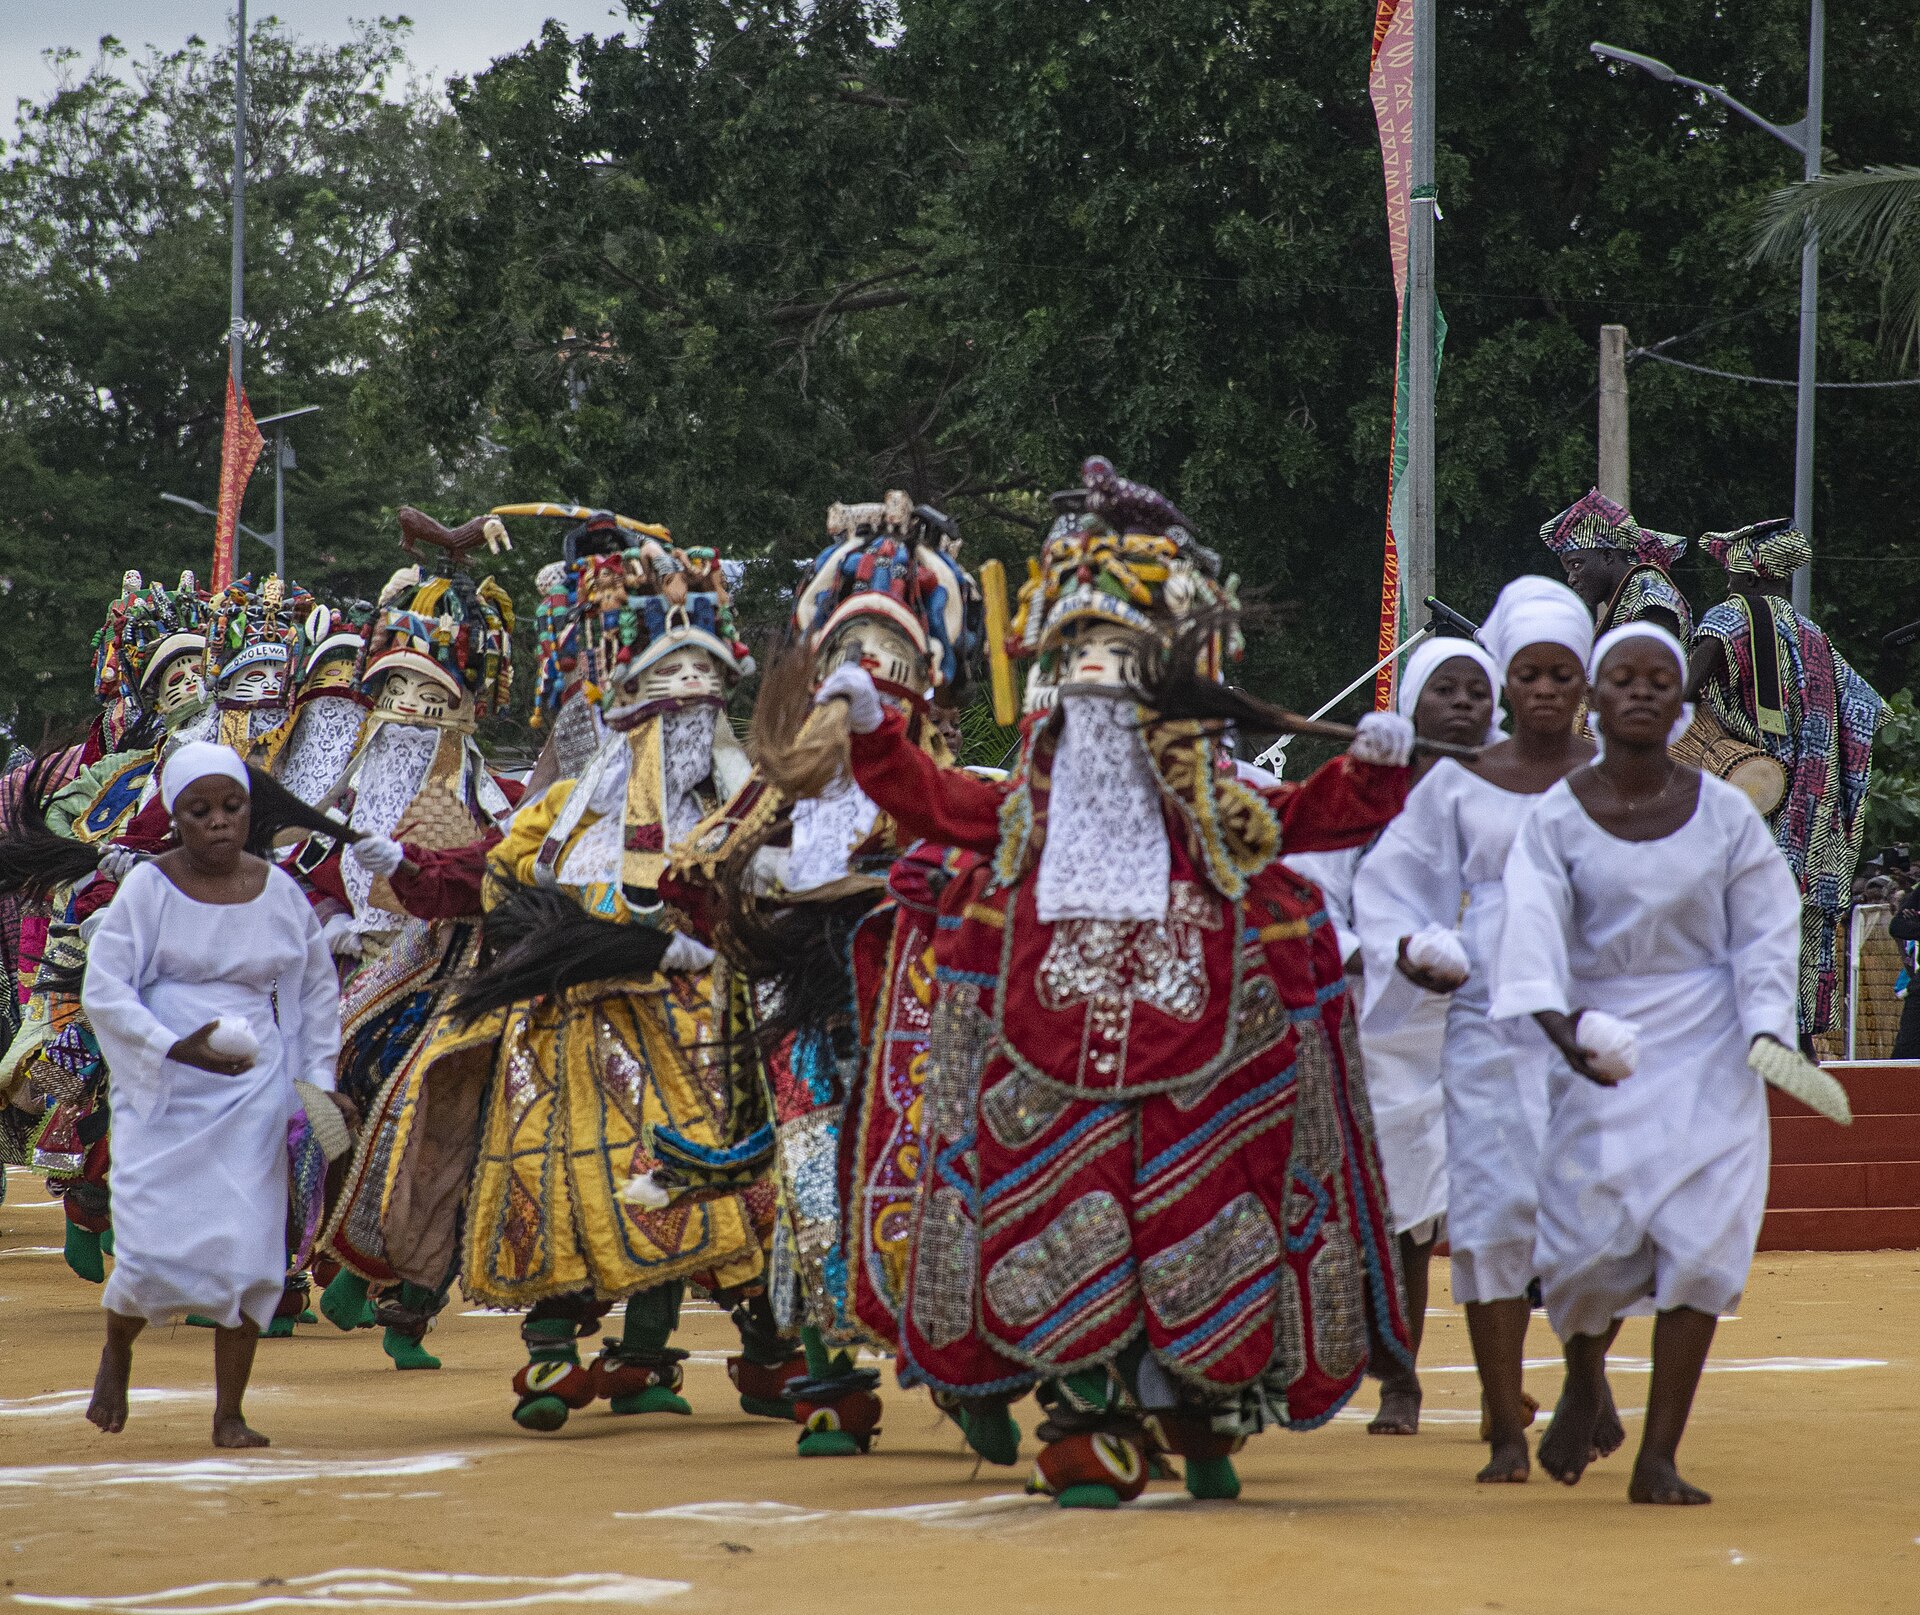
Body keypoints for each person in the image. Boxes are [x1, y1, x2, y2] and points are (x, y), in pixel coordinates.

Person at [812, 458, 1417, 1506]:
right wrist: (877, 732)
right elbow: (934, 802)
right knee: (1050, 1228)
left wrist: (1374, 765)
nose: (1097, 672)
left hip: (1204, 1067)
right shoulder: (1024, 811)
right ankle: (1087, 1417)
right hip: (1043, 1067)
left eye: (1121, 651)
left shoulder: (1212, 801)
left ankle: (1201, 1413)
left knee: (1207, 1240)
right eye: (1080, 648)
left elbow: (1316, 819)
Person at [1493, 623, 1801, 1504]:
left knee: (1703, 1245)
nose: (1639, 693)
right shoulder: (1553, 819)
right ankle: (1585, 1380)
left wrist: (1767, 1025)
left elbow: (1766, 933)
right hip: (1592, 1044)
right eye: (1620, 679)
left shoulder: (1728, 815)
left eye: (1657, 681)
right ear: (1596, 699)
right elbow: (1531, 937)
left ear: (1681, 702)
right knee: (1585, 1254)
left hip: (1708, 1047)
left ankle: (1658, 1455)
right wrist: (1563, 1035)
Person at [1353, 576, 1608, 1484]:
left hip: (1592, 1021)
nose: (1542, 689)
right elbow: (1394, 882)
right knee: (1494, 1217)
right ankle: (1505, 1424)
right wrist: (1410, 948)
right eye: (1527, 672)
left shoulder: (1622, 778)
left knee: (1596, 1218)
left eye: (1561, 673)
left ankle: (1584, 1380)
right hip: (1484, 1023)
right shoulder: (1458, 785)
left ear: (1586, 682)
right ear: (1512, 679)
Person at [79, 743, 346, 1447]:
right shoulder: (148, 890)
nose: (221, 823)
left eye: (233, 807)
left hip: (251, 1086)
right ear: (176, 817)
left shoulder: (281, 892)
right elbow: (105, 987)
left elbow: (318, 994)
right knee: (149, 1249)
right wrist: (173, 1045)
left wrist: (317, 1084)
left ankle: (230, 1412)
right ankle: (119, 1350)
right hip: (163, 1082)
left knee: (250, 1249)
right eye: (202, 811)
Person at [1289, 635, 1501, 1436]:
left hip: (1489, 1025)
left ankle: (1501, 1390)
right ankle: (1400, 1381)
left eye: (1476, 692)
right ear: (1410, 702)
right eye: (1444, 689)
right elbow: (1318, 899)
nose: (1462, 705)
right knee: (1401, 1217)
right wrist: (1389, 956)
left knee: (1494, 1214)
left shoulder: (1515, 794)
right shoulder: (1361, 796)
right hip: (1383, 1030)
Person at [1688, 521, 1885, 1043]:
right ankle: (1797, 1040)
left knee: (1738, 913)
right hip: (1815, 810)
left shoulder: (1729, 618)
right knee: (1797, 919)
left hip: (1752, 797)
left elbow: (1682, 690)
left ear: (1749, 575)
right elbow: (1867, 709)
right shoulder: (1815, 637)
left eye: (1731, 575)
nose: (1727, 585)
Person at [1538, 489, 1692, 639]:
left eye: (1576, 565)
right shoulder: (1620, 610)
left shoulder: (1651, 598)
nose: (1571, 580)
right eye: (1568, 571)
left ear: (1607, 556)